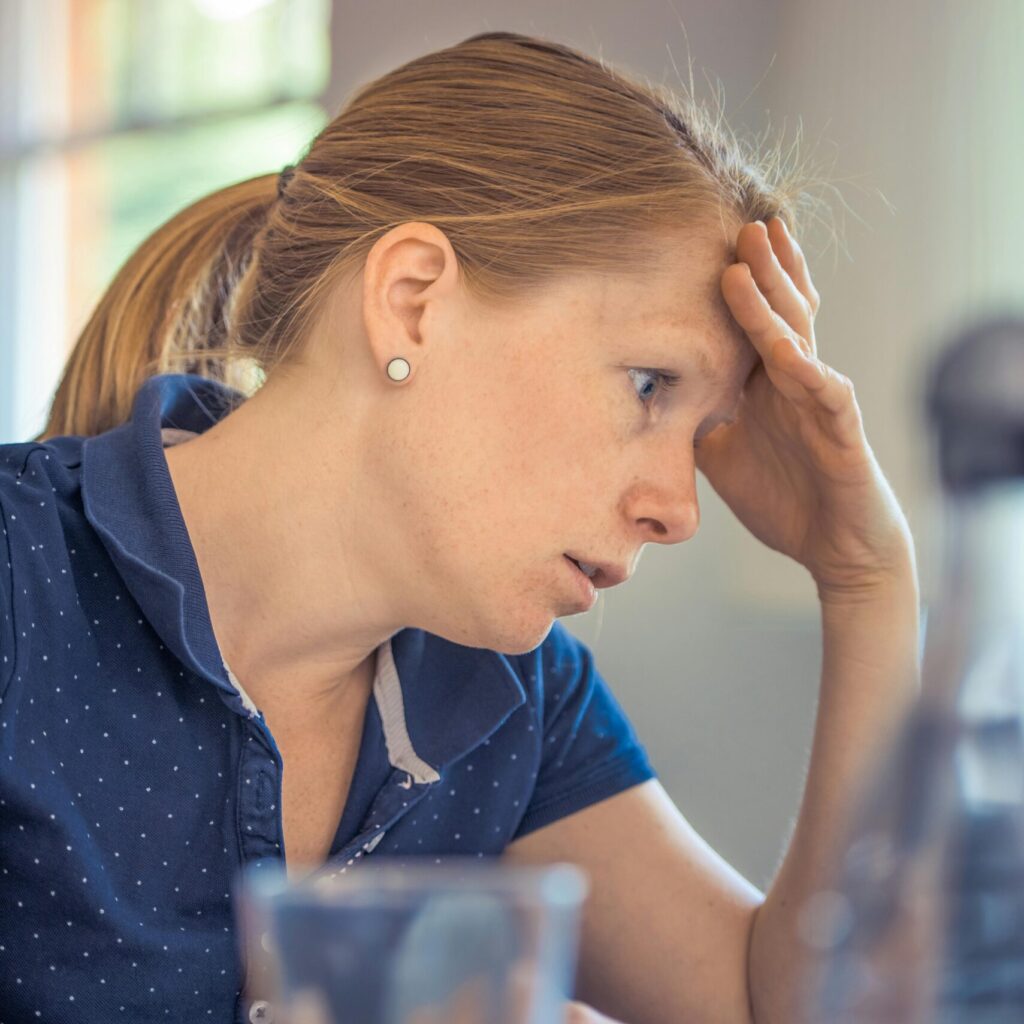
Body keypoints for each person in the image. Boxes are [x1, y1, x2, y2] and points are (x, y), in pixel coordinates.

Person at [0, 29, 921, 1024]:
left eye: (698, 435)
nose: (679, 508)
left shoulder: (508, 693)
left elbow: (796, 1008)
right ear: (412, 303)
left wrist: (866, 578)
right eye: (648, 384)